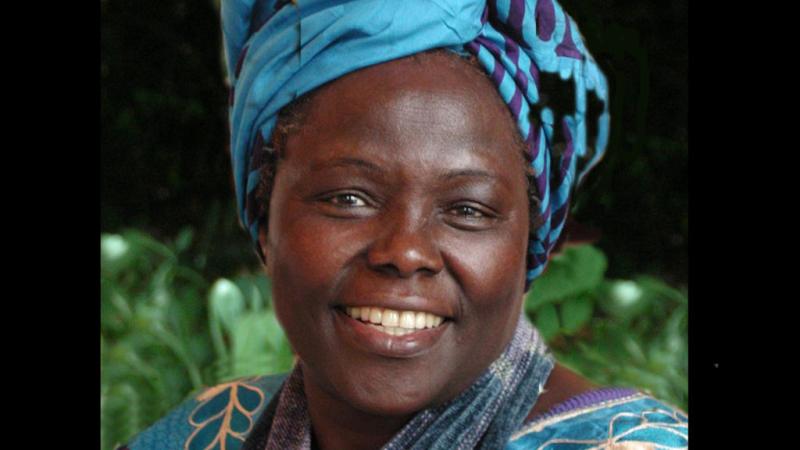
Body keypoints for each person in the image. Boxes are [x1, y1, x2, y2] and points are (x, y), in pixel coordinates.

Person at [119, 1, 687, 449]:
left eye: (468, 210)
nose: (406, 251)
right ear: (264, 220)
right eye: (348, 197)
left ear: (529, 248)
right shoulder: (207, 432)